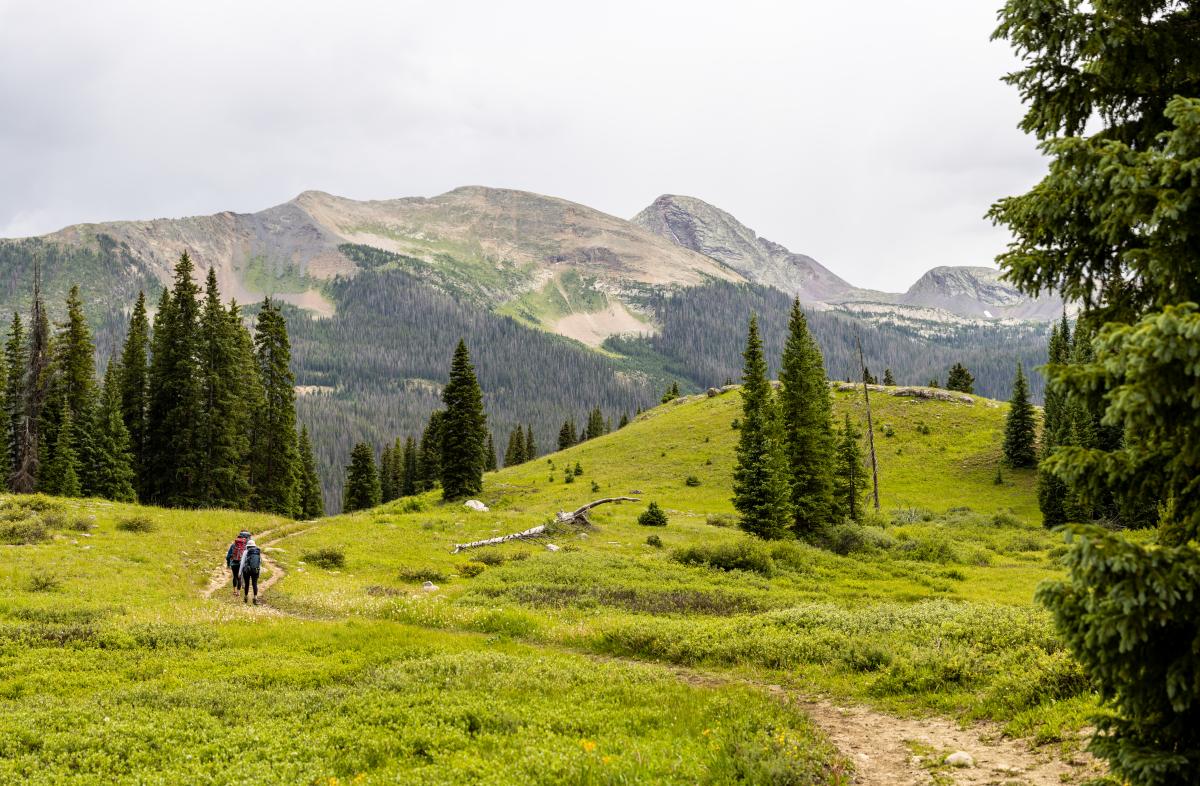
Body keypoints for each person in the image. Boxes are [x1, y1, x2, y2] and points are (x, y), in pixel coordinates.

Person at [239, 537, 262, 605]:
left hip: (247, 571)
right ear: (254, 545)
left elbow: (242, 563)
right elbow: (259, 562)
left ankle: (246, 597)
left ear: (247, 546)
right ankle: (255, 597)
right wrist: (259, 571)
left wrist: (240, 572)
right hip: (255, 570)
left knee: (247, 584)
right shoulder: (257, 552)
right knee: (254, 584)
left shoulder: (245, 552)